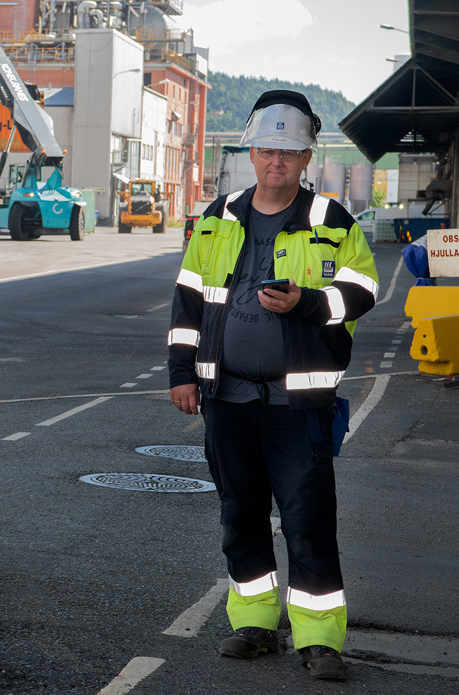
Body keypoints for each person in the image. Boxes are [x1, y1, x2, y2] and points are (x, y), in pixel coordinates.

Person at [167, 90, 379, 681]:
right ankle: (254, 624)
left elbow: (363, 291)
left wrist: (308, 302)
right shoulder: (217, 217)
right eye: (266, 150)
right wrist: (182, 375)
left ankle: (319, 640)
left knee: (308, 518)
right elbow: (188, 302)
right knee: (241, 515)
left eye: (288, 152)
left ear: (307, 157)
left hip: (299, 403)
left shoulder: (332, 221)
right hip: (227, 399)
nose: (276, 162)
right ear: (251, 153)